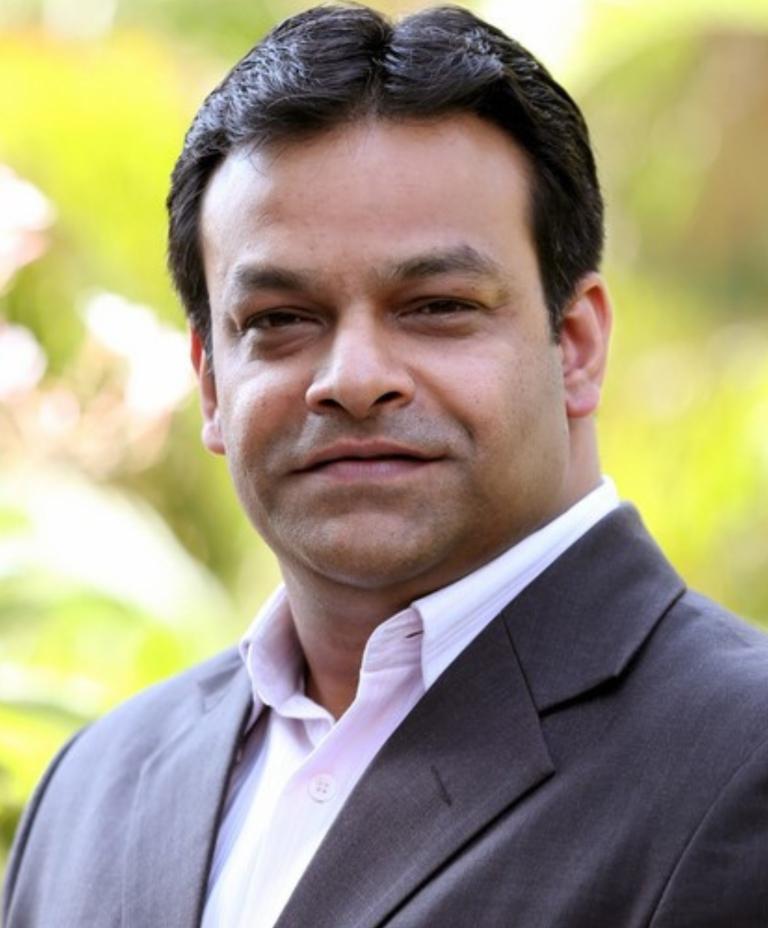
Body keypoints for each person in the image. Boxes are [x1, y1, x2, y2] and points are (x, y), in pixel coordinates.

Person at [4, 4, 768, 927]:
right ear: (209, 384)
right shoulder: (92, 791)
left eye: (436, 306)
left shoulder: (740, 758)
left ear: (575, 345)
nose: (355, 379)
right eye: (280, 320)